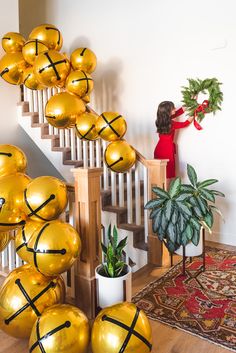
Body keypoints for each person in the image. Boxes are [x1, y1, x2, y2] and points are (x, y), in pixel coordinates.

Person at [154, 101, 194, 182]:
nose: (175, 109)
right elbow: (185, 123)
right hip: (167, 150)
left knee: (162, 174)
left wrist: (191, 100)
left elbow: (179, 111)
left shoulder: (161, 120)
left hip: (159, 149)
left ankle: (163, 193)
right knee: (167, 176)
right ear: (168, 112)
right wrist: (194, 112)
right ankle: (166, 193)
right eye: (173, 109)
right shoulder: (171, 124)